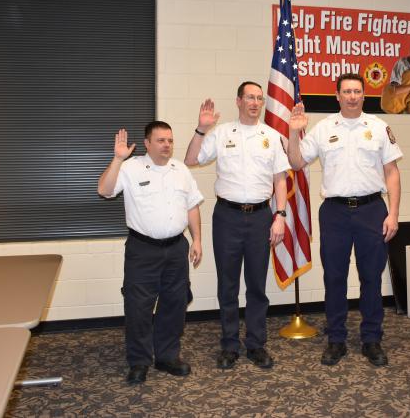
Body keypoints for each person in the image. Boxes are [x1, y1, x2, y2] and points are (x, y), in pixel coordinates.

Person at [287, 73, 402, 367]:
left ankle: (371, 339)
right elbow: (296, 162)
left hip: (372, 210)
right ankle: (336, 339)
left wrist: (394, 213)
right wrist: (293, 132)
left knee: (371, 278)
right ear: (337, 96)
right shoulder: (323, 129)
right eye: (346, 91)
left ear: (364, 95)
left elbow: (392, 173)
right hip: (335, 213)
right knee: (334, 278)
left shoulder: (379, 128)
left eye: (357, 91)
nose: (352, 96)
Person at [184, 81, 289, 370]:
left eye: (259, 98)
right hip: (227, 216)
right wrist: (201, 128)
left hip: (260, 217)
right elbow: (191, 159)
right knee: (227, 284)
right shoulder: (220, 133)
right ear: (239, 101)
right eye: (250, 97)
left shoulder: (272, 136)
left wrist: (280, 215)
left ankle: (256, 344)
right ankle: (230, 344)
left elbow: (281, 179)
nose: (255, 102)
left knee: (256, 284)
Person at [97, 122, 203, 385]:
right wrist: (117, 159)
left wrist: (197, 239)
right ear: (147, 143)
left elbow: (192, 207)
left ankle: (167, 356)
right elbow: (104, 190)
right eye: (160, 140)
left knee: (174, 304)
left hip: (176, 248)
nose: (166, 145)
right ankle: (139, 361)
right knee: (138, 307)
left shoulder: (181, 170)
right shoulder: (130, 167)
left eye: (169, 140)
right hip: (142, 250)